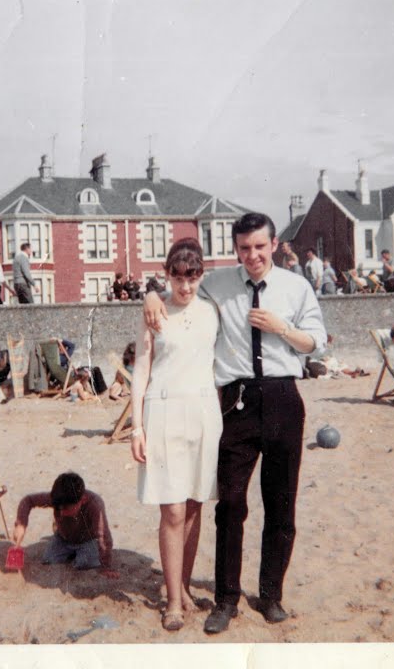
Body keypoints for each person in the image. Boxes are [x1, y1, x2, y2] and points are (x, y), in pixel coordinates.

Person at [144, 212, 327, 634]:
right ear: (235, 249)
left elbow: (315, 342)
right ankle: (226, 599)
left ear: (275, 244)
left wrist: (283, 328)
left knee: (281, 504)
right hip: (236, 402)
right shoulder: (219, 283)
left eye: (260, 246)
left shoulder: (296, 286)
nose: (253, 255)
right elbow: (180, 283)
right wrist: (151, 295)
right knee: (229, 505)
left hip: (283, 397)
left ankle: (271, 595)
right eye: (244, 248)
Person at [128, 238, 223, 631]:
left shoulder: (212, 310)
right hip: (163, 411)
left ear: (201, 275)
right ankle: (172, 601)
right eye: (178, 278)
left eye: (193, 278)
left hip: (204, 412)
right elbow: (141, 370)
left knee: (195, 505)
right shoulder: (154, 311)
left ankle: (181, 585)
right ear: (167, 275)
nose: (185, 286)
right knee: (173, 510)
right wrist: (136, 426)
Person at [12, 472, 119, 579]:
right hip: (64, 538)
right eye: (58, 508)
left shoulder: (94, 504)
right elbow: (28, 500)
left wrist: (106, 567)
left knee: (84, 563)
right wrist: (21, 524)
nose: (61, 513)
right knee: (48, 559)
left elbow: (104, 536)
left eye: (66, 509)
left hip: (86, 540)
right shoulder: (59, 498)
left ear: (82, 500)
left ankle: (79, 553)